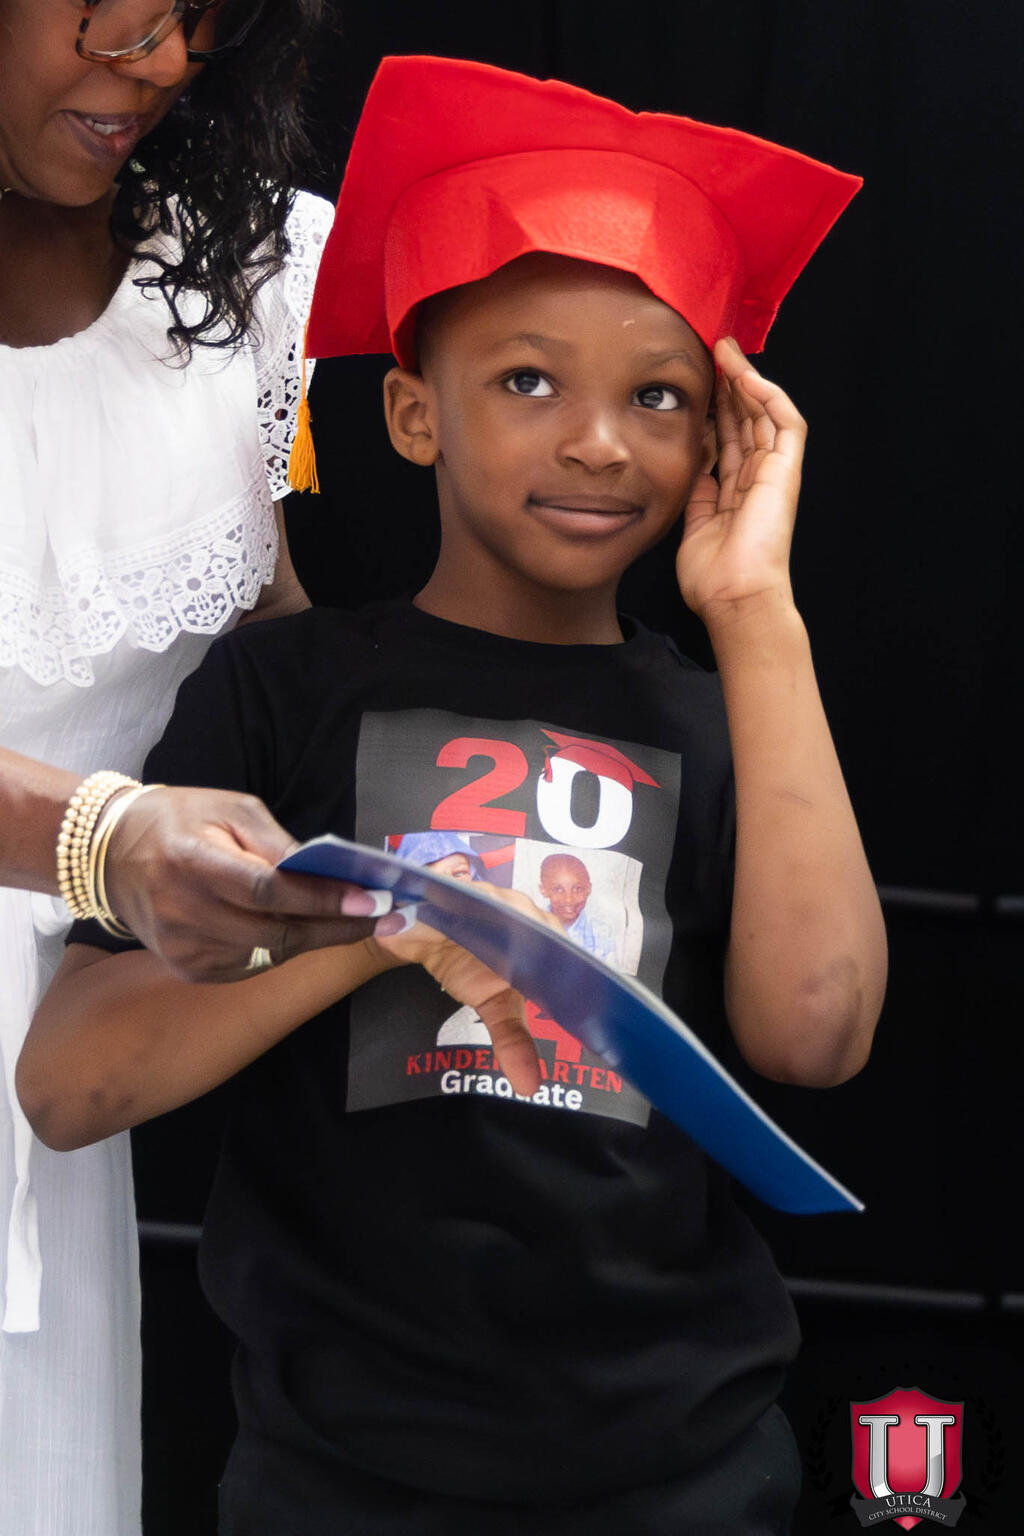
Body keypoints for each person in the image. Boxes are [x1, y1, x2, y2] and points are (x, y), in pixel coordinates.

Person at [20, 56, 888, 1534]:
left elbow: (816, 1036)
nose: (599, 440)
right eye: (528, 380)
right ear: (414, 414)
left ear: (716, 440)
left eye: (659, 396)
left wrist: (756, 612)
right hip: (338, 1474)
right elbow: (68, 1085)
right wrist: (379, 922)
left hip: (676, 1470)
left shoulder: (726, 711)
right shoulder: (283, 692)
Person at [0, 5, 404, 1533]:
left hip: (52, 1079)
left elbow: (265, 636)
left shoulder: (246, 270)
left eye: (200, 17)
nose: (163, 60)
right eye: (113, 9)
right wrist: (109, 837)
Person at [537, 851, 617, 961]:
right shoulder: (532, 925)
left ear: (588, 889)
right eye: (558, 889)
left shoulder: (602, 935)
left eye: (577, 889)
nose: (569, 899)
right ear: (543, 890)